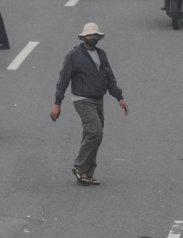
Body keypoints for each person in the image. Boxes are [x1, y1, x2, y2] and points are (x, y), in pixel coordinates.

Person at [50, 23, 127, 185]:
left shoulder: (101, 54)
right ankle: (79, 167)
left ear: (98, 37)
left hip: (99, 99)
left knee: (91, 135)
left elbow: (109, 77)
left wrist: (119, 97)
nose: (92, 37)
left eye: (95, 35)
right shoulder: (74, 55)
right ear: (83, 37)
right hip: (83, 100)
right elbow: (63, 79)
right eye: (89, 35)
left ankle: (87, 174)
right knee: (95, 133)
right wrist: (58, 103)